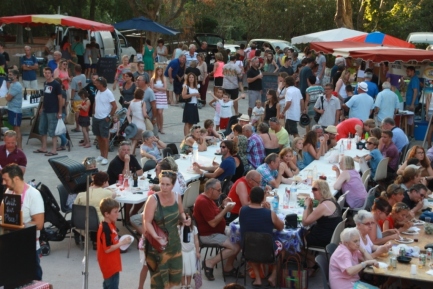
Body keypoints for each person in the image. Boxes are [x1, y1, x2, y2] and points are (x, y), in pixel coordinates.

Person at [143, 169, 188, 288]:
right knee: (160, 281)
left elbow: (181, 212)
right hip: (158, 245)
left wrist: (185, 219)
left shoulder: (177, 196)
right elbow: (146, 222)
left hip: (174, 243)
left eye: (167, 184)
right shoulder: (153, 199)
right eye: (162, 183)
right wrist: (155, 236)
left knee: (174, 276)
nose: (164, 187)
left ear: (173, 185)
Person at [193, 179, 242, 281]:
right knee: (234, 247)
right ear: (211, 190)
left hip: (217, 231)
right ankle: (209, 262)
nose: (220, 193)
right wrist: (225, 210)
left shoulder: (209, 198)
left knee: (239, 239)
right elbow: (213, 223)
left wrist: (222, 206)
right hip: (208, 235)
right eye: (219, 190)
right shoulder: (203, 201)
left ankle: (228, 267)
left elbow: (214, 214)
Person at [1, 165, 42, 281]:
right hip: (11, 245)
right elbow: (2, 215)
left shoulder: (33, 195)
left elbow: (39, 224)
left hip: (29, 246)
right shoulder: (9, 191)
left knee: (33, 279)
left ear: (16, 179)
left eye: (6, 179)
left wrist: (21, 225)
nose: (3, 183)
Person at [239, 187, 284, 287]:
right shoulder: (269, 213)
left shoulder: (242, 210)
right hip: (267, 250)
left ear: (249, 197)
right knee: (284, 248)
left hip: (247, 249)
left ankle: (258, 278)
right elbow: (281, 227)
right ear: (263, 198)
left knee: (253, 245)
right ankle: (273, 276)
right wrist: (268, 211)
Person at [73, 172, 116, 249]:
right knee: (110, 212)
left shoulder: (81, 195)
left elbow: (75, 206)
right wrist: (109, 188)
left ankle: (93, 239)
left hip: (82, 222)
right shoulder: (106, 193)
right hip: (100, 222)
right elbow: (114, 194)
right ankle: (103, 237)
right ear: (104, 182)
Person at [97, 198, 131, 289]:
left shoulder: (110, 224)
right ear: (106, 214)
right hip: (109, 265)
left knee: (108, 285)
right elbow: (107, 249)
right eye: (115, 212)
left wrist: (121, 242)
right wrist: (122, 243)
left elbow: (112, 241)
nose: (118, 214)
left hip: (113, 264)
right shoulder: (105, 229)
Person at [302, 180, 342, 248]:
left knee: (296, 239)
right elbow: (314, 218)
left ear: (322, 190)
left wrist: (305, 206)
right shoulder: (330, 200)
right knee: (304, 232)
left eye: (314, 189)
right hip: (330, 235)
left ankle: (309, 258)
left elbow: (305, 222)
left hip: (323, 238)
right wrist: (310, 207)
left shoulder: (324, 205)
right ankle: (309, 257)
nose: (312, 191)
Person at [33, 67, 62, 156]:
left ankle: (54, 149)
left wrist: (59, 111)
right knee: (42, 128)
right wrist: (42, 107)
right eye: (45, 73)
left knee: (52, 130)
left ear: (52, 74)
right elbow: (45, 97)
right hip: (45, 110)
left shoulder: (56, 84)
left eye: (48, 73)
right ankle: (44, 147)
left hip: (53, 111)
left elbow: (60, 98)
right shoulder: (45, 83)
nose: (47, 75)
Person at [92, 77, 117, 165]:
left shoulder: (108, 93)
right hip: (96, 117)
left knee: (104, 138)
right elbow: (96, 102)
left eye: (97, 83)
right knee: (98, 137)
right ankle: (101, 155)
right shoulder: (98, 91)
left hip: (104, 119)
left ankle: (105, 157)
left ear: (101, 84)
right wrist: (94, 112)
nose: (95, 84)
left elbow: (114, 106)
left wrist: (109, 116)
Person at [178, 215, 200, 289]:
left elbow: (196, 240)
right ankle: (183, 284)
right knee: (183, 269)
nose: (187, 220)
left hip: (191, 252)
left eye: (188, 218)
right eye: (185, 219)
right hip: (182, 252)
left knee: (189, 270)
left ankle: (189, 284)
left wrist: (197, 251)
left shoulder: (194, 228)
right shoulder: (179, 228)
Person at [4, 69, 23, 149]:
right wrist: (7, 96)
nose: (9, 76)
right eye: (9, 74)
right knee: (14, 128)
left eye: (11, 75)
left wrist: (6, 96)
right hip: (11, 109)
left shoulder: (17, 86)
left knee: (17, 129)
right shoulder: (12, 84)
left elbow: (8, 97)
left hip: (15, 110)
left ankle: (19, 147)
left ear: (15, 76)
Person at [151, 66, 167, 134]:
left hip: (162, 97)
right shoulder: (152, 79)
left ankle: (161, 127)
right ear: (156, 71)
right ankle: (158, 127)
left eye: (161, 71)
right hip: (155, 97)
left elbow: (165, 88)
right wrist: (160, 89)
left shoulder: (163, 78)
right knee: (157, 113)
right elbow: (152, 89)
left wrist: (156, 88)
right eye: (158, 71)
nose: (160, 72)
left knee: (160, 113)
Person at [70, 64, 87, 132]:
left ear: (75, 70)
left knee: (77, 113)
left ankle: (77, 127)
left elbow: (73, 90)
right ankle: (83, 125)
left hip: (77, 96)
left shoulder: (74, 79)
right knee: (82, 112)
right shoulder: (84, 76)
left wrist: (71, 99)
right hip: (82, 96)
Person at [406, 66, 420, 138]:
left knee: (410, 119)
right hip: (410, 102)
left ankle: (411, 134)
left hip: (411, 103)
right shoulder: (413, 79)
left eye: (408, 71)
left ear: (412, 71)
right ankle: (410, 134)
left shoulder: (414, 79)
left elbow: (415, 91)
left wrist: (412, 104)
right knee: (410, 119)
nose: (407, 73)